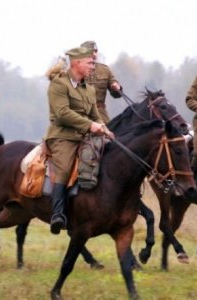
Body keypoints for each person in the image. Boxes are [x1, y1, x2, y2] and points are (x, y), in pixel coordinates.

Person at [45, 46, 110, 235]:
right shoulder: (59, 84)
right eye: (89, 63)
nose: (93, 66)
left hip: (85, 137)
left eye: (93, 63)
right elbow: (62, 113)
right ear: (76, 63)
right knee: (64, 169)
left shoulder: (89, 89)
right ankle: (57, 214)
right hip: (62, 136)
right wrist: (90, 126)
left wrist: (104, 128)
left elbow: (95, 115)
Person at [80, 41, 122, 123]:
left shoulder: (105, 70)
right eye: (91, 51)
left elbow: (117, 94)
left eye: (96, 51)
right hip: (80, 114)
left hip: (101, 115)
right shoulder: (76, 71)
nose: (94, 54)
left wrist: (117, 88)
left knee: (112, 134)